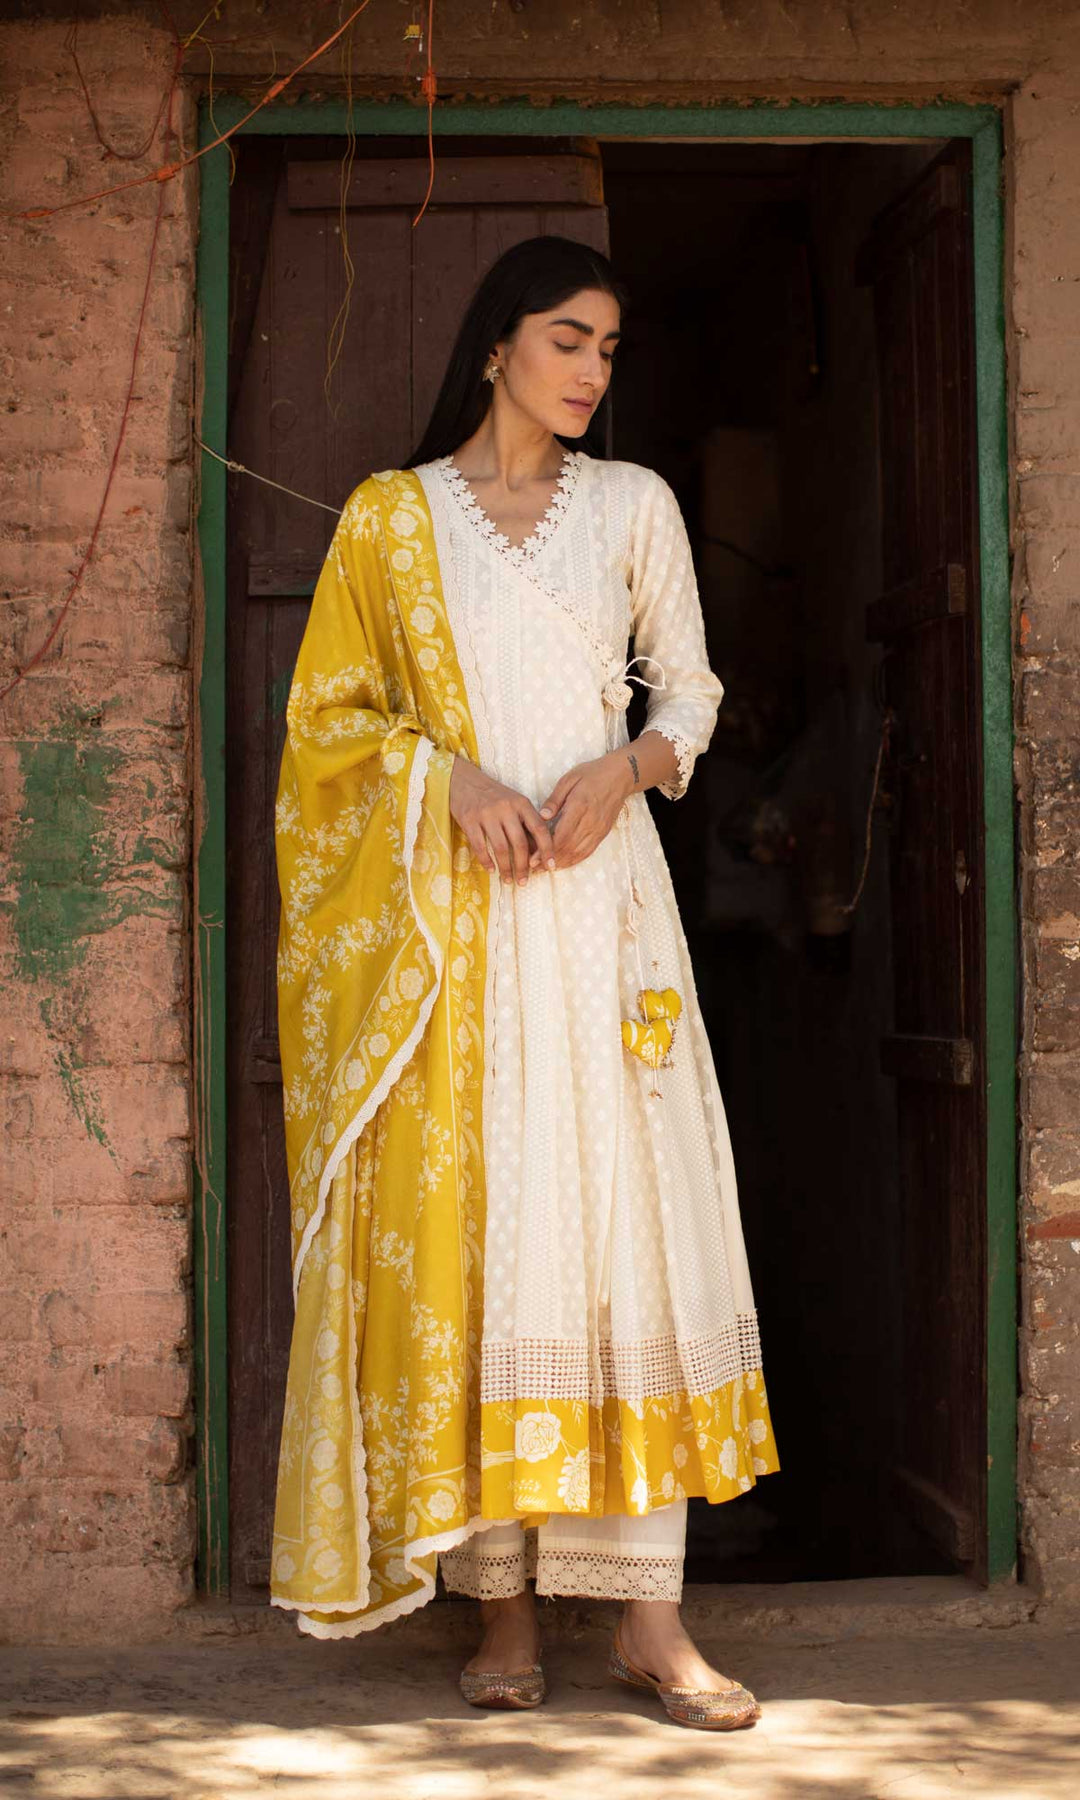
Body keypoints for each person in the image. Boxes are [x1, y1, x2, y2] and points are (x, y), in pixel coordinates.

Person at [271, 235, 779, 1731]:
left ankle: (650, 1623)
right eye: (568, 339)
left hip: (607, 922)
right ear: (497, 343)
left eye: (609, 349)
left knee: (629, 1225)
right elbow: (327, 725)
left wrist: (627, 769)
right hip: (460, 938)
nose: (592, 371)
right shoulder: (391, 521)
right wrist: (449, 780)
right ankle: (502, 1612)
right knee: (492, 1238)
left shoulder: (634, 505)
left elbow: (690, 687)